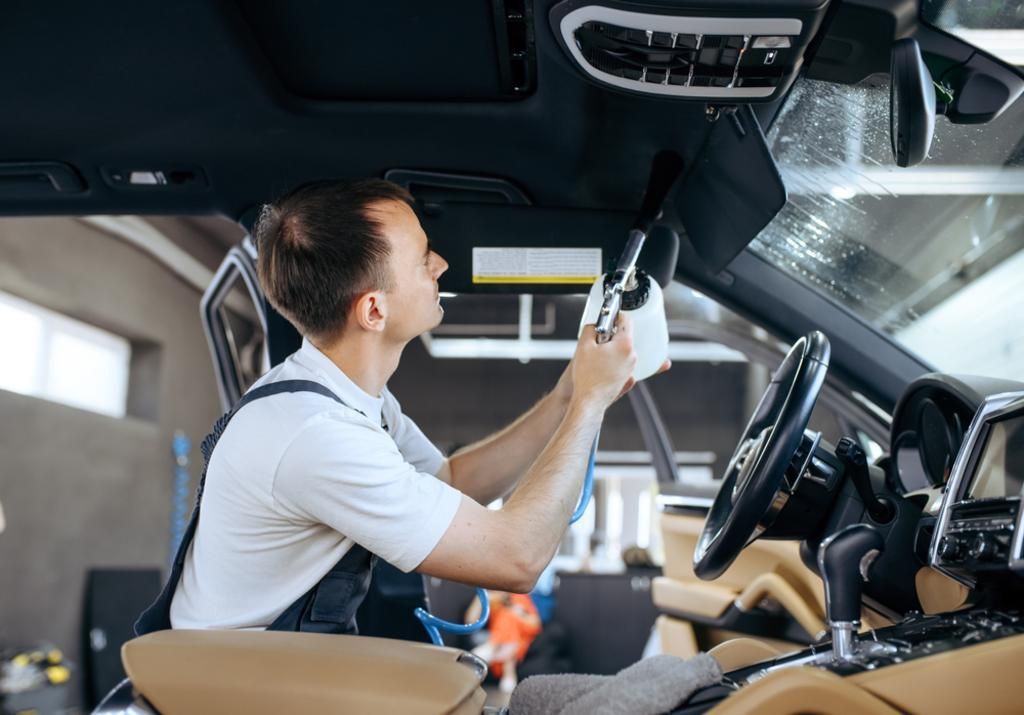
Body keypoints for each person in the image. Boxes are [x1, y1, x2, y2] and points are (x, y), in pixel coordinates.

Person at [137, 178, 653, 635]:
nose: (441, 265)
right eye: (423, 259)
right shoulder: (317, 433)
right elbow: (517, 559)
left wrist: (568, 393)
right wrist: (591, 401)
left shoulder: (348, 397)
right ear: (373, 310)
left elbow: (450, 481)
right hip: (233, 686)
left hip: (279, 664)